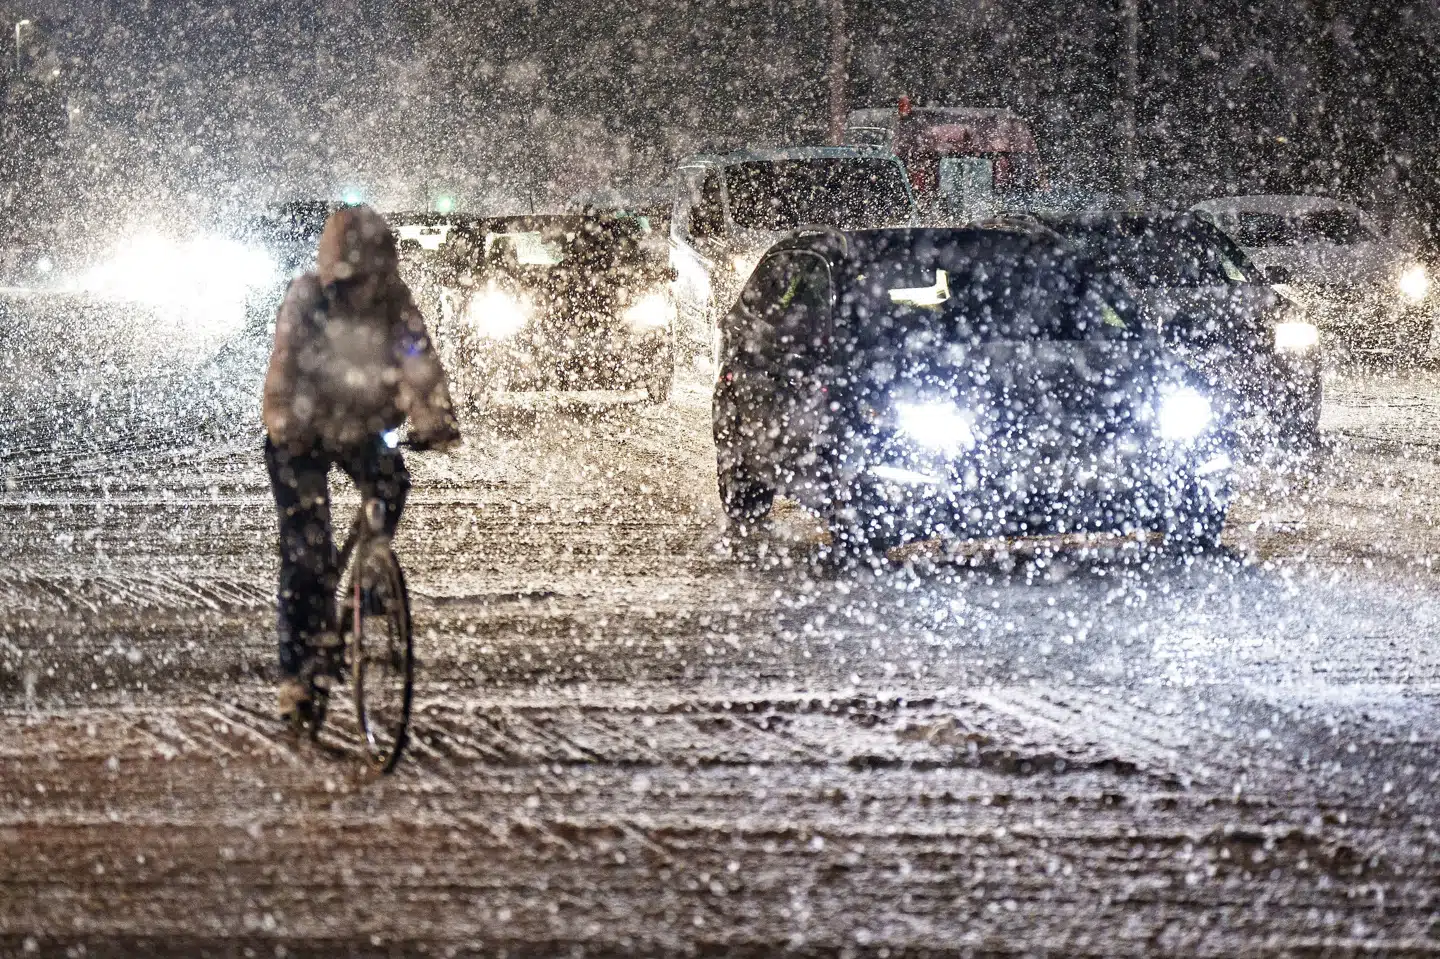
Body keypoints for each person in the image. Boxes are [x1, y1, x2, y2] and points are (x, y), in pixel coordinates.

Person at [262, 205, 461, 721]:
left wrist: (435, 418)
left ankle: (368, 577)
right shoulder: (306, 299)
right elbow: (285, 366)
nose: (366, 288)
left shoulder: (394, 302)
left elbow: (418, 360)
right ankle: (298, 676)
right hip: (299, 434)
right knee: (306, 553)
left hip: (359, 426)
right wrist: (289, 421)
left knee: (391, 482)